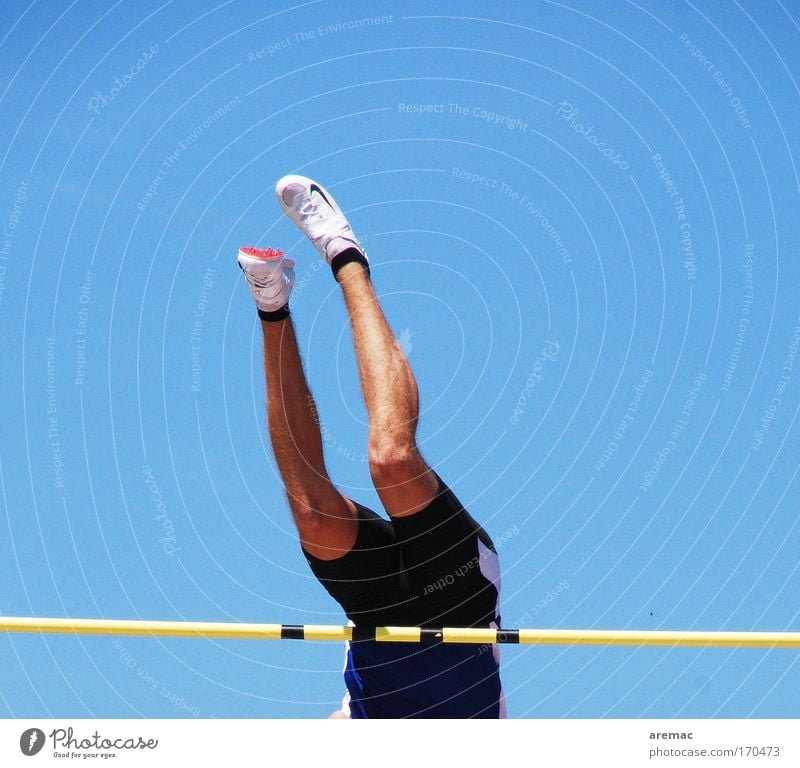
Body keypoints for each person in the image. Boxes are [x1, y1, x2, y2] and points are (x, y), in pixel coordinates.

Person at [237, 175, 504, 718]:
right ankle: (346, 255)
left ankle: (271, 302)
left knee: (312, 514)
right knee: (393, 462)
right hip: (464, 609)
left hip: (377, 613)